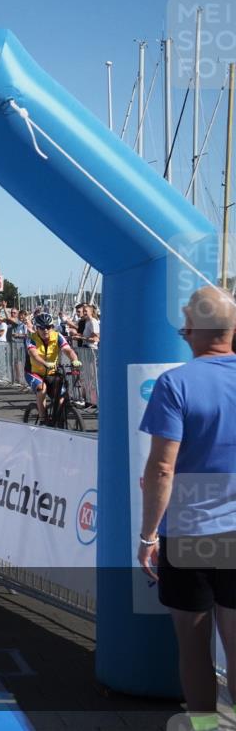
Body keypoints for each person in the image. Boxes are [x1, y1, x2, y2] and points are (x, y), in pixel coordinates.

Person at [137, 286, 236, 731]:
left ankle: (203, 727)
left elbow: (161, 468)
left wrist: (147, 536)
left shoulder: (176, 382)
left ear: (191, 331)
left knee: (194, 646)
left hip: (193, 533)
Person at [24, 312, 82, 425]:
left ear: (52, 327)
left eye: (48, 327)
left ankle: (58, 420)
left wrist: (74, 359)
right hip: (34, 372)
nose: (45, 330)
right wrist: (45, 363)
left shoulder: (57, 336)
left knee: (61, 397)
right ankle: (42, 419)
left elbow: (68, 350)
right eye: (41, 328)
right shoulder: (31, 338)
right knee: (42, 389)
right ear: (37, 328)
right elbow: (34, 355)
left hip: (51, 372)